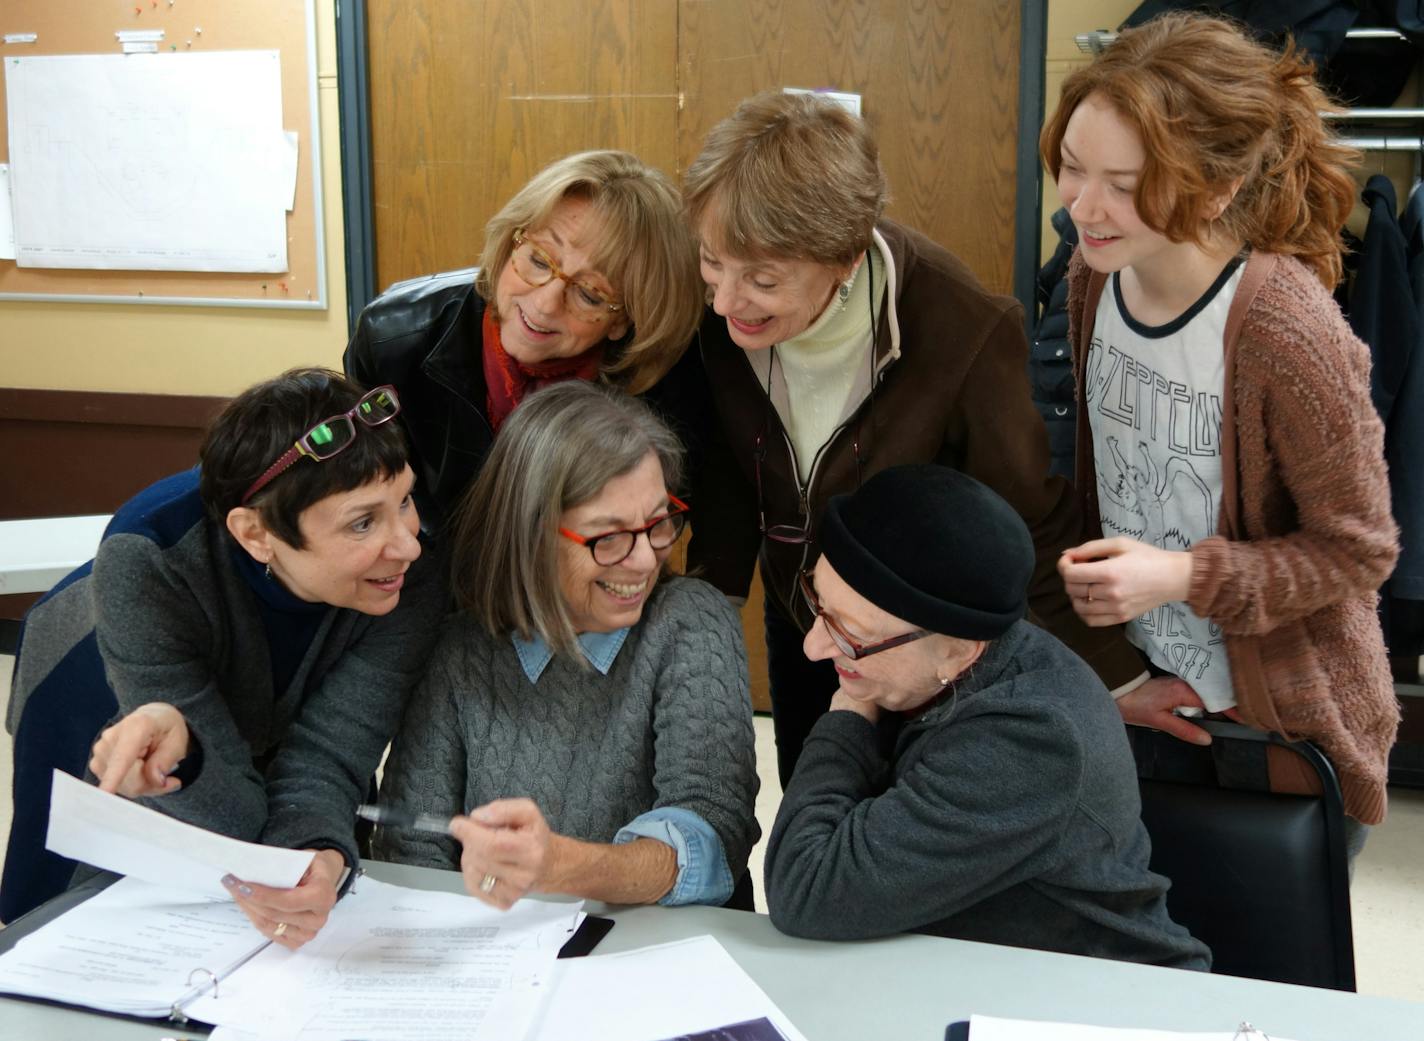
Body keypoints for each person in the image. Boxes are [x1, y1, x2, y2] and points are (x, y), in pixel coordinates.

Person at [683, 90, 1141, 788]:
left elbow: (1029, 514)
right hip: (806, 611)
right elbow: (724, 478)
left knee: (903, 820)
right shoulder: (714, 316)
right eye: (714, 265)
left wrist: (1119, 679)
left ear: (843, 256)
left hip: (917, 639)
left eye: (761, 280)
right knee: (813, 790)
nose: (722, 301)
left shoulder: (957, 324)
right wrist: (699, 629)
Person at [1039, 13, 1399, 835]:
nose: (1085, 207)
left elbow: (1360, 548)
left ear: (1219, 187)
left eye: (1125, 185)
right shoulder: (1096, 281)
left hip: (1271, 725)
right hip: (1145, 697)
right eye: (1070, 167)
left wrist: (1182, 577)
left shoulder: (1285, 330)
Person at [2, 369, 445, 942]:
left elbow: (331, 753)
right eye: (362, 522)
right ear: (256, 535)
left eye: (404, 500)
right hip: (103, 683)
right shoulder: (150, 558)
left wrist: (316, 855)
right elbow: (230, 816)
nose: (407, 543)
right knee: (73, 908)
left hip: (258, 674)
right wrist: (184, 757)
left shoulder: (414, 570)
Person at [763, 464, 1209, 969]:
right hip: (965, 976)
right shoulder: (917, 667)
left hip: (1099, 1005)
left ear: (957, 653)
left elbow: (805, 890)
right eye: (818, 603)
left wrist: (846, 719)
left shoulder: (1032, 737)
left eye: (850, 633)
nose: (813, 646)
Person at [373, 381, 759, 908]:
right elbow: (411, 850)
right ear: (531, 537)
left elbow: (713, 835)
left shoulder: (690, 621)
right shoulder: (459, 650)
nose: (646, 559)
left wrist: (562, 866)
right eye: (609, 537)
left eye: (657, 523)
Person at [344, 149, 709, 536]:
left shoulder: (666, 376)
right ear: (511, 242)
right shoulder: (392, 340)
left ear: (623, 320)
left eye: (590, 295)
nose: (545, 304)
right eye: (539, 261)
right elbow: (368, 509)